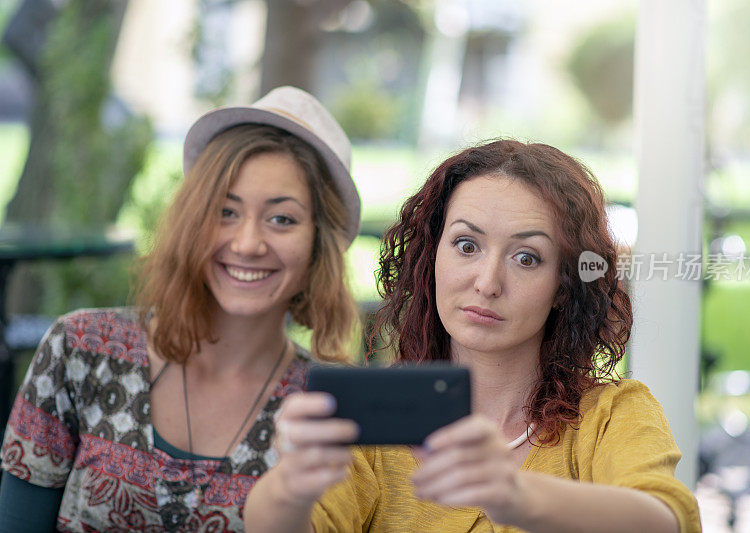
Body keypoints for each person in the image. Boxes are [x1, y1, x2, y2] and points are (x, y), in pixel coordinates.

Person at [243, 140, 702, 533]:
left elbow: (667, 520)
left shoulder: (612, 415)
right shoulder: (376, 422)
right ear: (432, 256)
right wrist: (289, 485)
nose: (487, 282)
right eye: (467, 245)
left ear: (564, 286)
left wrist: (515, 492)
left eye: (526, 258)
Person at [0, 86, 362, 531]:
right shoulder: (80, 350)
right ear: (192, 221)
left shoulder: (323, 409)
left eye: (282, 219)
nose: (248, 244)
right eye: (226, 212)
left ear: (318, 246)